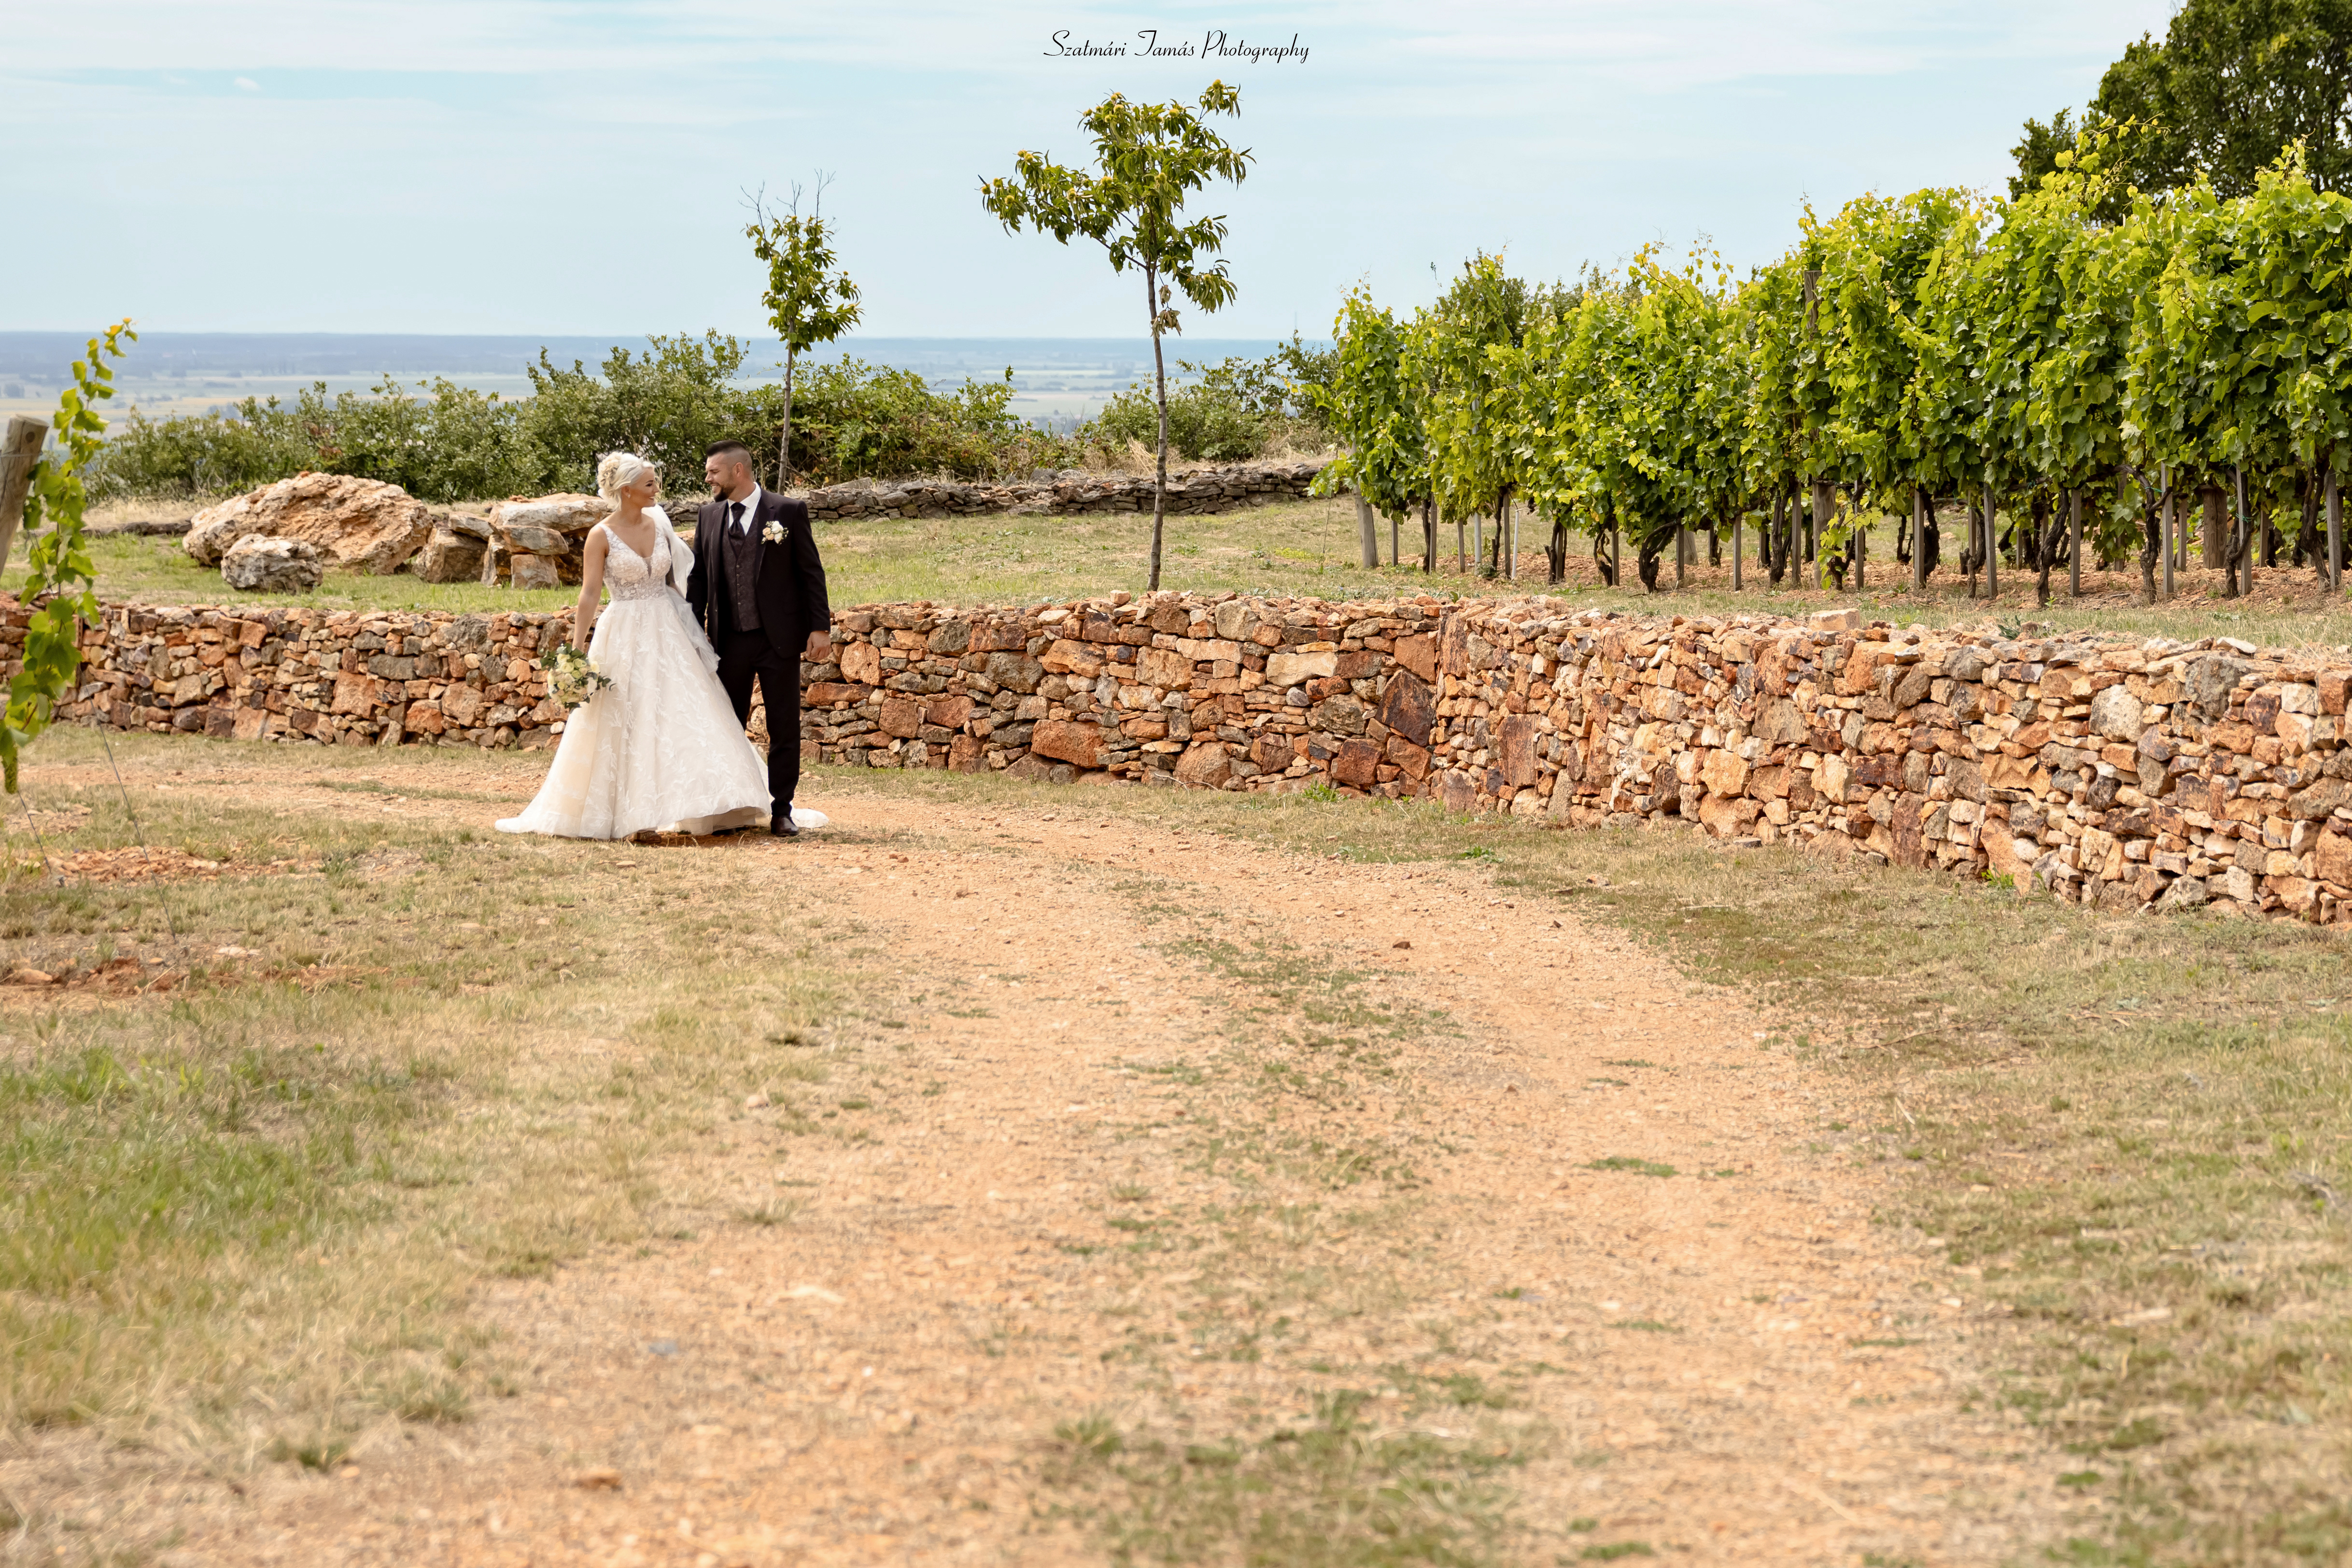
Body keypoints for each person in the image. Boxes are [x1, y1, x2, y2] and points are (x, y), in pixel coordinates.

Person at [495, 452, 773, 840]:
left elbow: (674, 586)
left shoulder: (660, 526)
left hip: (667, 630)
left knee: (684, 712)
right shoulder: (600, 535)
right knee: (628, 719)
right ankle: (633, 818)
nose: (656, 489)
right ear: (626, 491)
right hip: (623, 631)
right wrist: (576, 652)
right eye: (649, 484)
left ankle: (720, 802)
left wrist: (692, 633)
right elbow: (589, 593)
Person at [687, 439, 832, 838]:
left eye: (713, 471)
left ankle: (781, 809)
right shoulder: (708, 516)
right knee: (727, 726)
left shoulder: (786, 511)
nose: (708, 478)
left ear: (738, 471)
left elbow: (810, 573)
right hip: (727, 640)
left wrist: (820, 626)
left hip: (779, 639)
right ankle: (731, 807)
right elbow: (699, 578)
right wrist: (689, 627)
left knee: (783, 726)